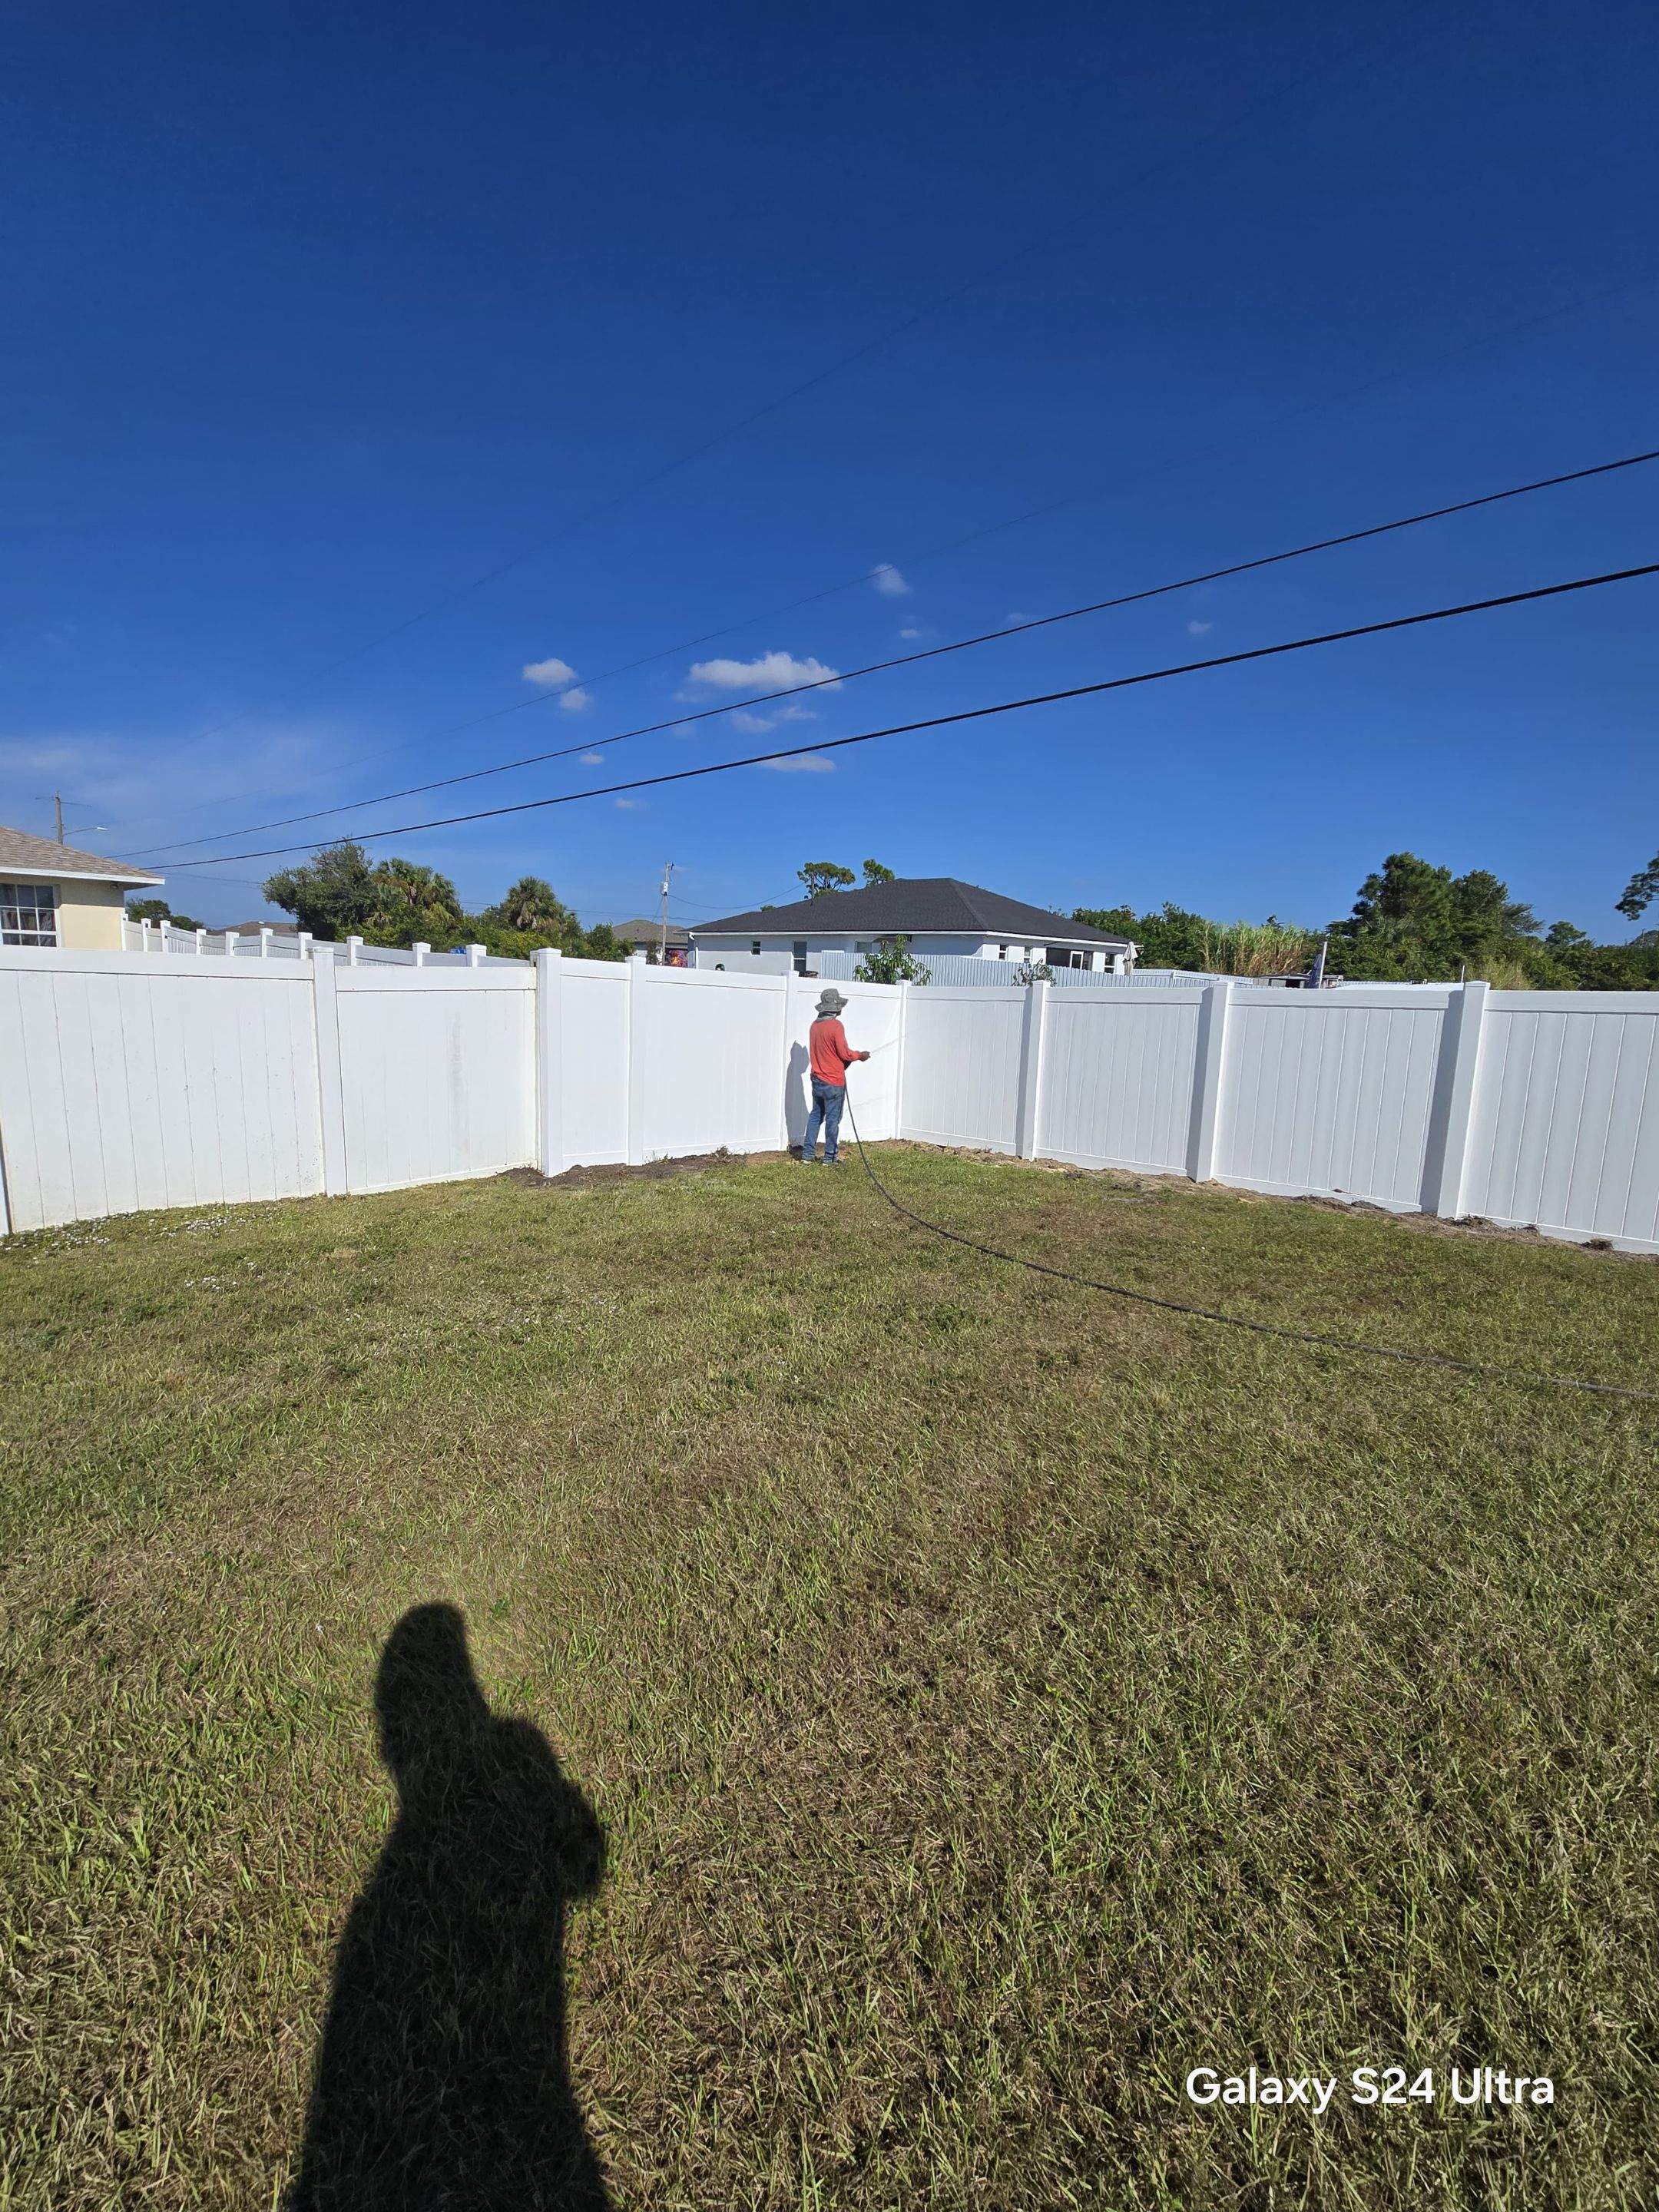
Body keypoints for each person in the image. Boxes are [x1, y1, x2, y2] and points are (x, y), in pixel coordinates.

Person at [801, 985, 869, 1166]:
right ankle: (829, 1157)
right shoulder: (836, 1026)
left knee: (816, 1115)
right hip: (833, 1082)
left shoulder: (814, 1026)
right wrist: (860, 1056)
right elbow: (844, 1054)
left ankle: (807, 1155)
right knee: (833, 1120)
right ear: (836, 1008)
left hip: (817, 1079)